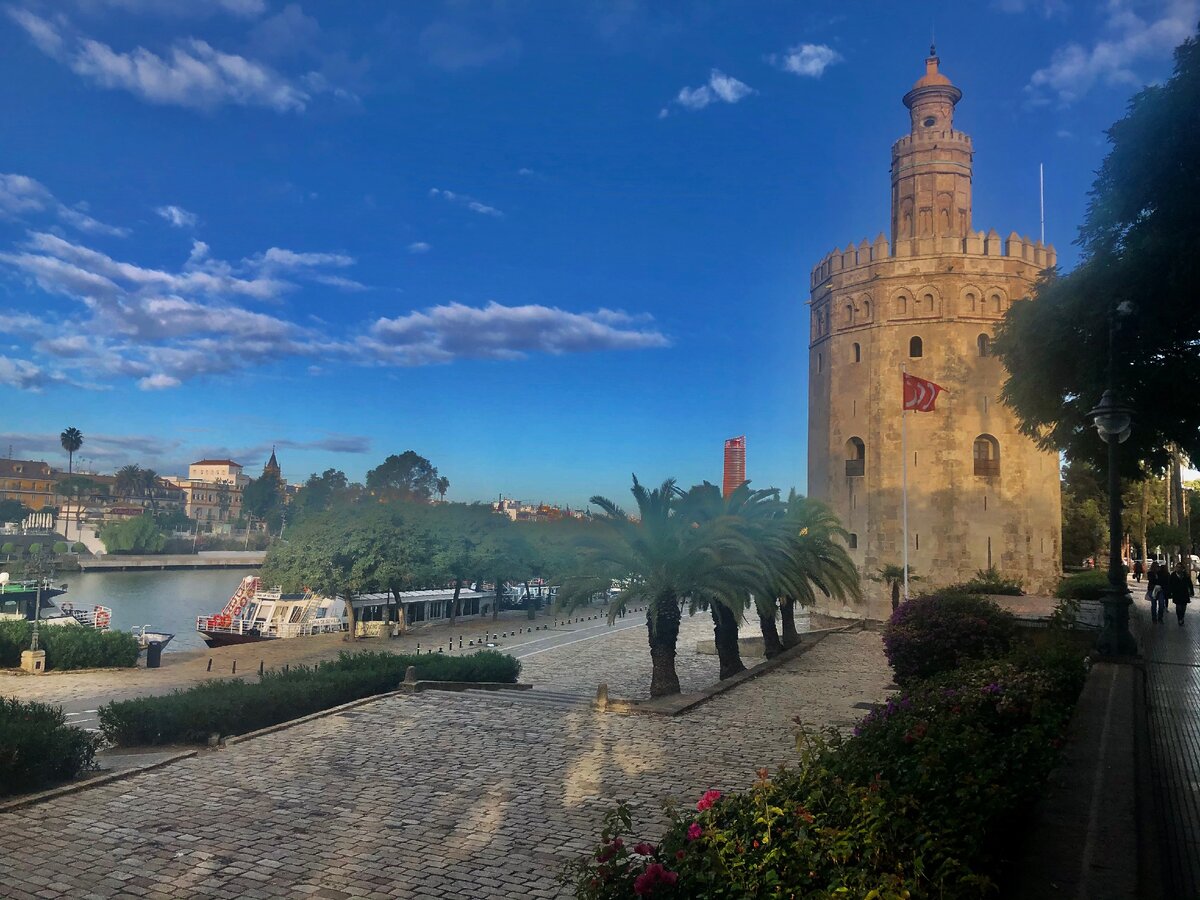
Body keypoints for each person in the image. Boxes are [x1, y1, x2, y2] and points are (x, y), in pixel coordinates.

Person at [1169, 561, 1195, 627]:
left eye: (1180, 567)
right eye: (1177, 567)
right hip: (1176, 593)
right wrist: (1170, 592)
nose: (1178, 569)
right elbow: (1170, 584)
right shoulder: (1173, 575)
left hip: (1184, 593)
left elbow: (1190, 584)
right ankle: (1179, 619)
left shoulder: (1186, 575)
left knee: (1183, 607)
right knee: (1178, 607)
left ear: (1182, 568)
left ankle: (1182, 617)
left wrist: (1192, 592)